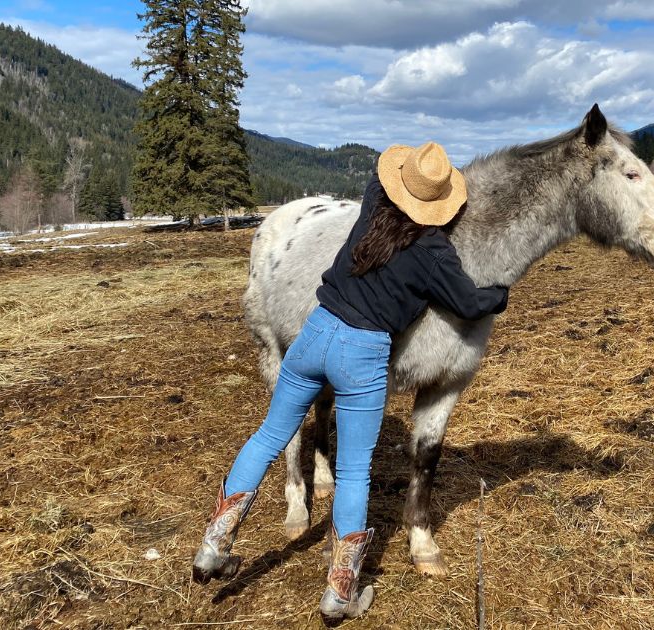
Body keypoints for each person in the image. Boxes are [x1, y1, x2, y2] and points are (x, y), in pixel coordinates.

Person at [191, 141, 509, 620]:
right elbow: (470, 304)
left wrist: (402, 171)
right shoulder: (436, 253)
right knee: (356, 470)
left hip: (315, 331)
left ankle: (213, 544)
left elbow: (381, 176)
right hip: (362, 355)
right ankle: (341, 592)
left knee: (269, 435)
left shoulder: (372, 212)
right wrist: (499, 294)